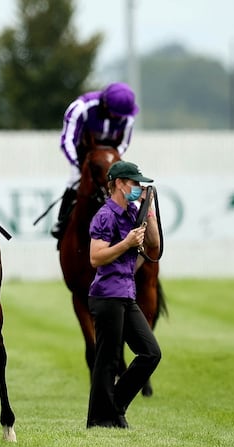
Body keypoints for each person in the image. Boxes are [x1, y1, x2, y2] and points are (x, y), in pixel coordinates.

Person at [86, 160, 161, 428]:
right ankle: (101, 418)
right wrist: (127, 243)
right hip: (106, 295)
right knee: (108, 359)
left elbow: (153, 244)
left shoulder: (133, 212)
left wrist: (148, 209)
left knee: (150, 353)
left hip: (126, 293)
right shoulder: (104, 215)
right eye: (134, 183)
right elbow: (96, 257)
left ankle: (113, 406)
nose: (138, 187)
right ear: (119, 183)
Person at [52, 82, 139, 239]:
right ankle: (62, 222)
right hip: (83, 156)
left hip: (110, 156)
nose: (118, 118)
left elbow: (124, 143)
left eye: (121, 116)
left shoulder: (128, 117)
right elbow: (67, 141)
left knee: (125, 184)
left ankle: (133, 221)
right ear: (104, 104)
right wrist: (80, 165)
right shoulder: (81, 108)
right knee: (75, 181)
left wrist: (112, 163)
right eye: (115, 114)